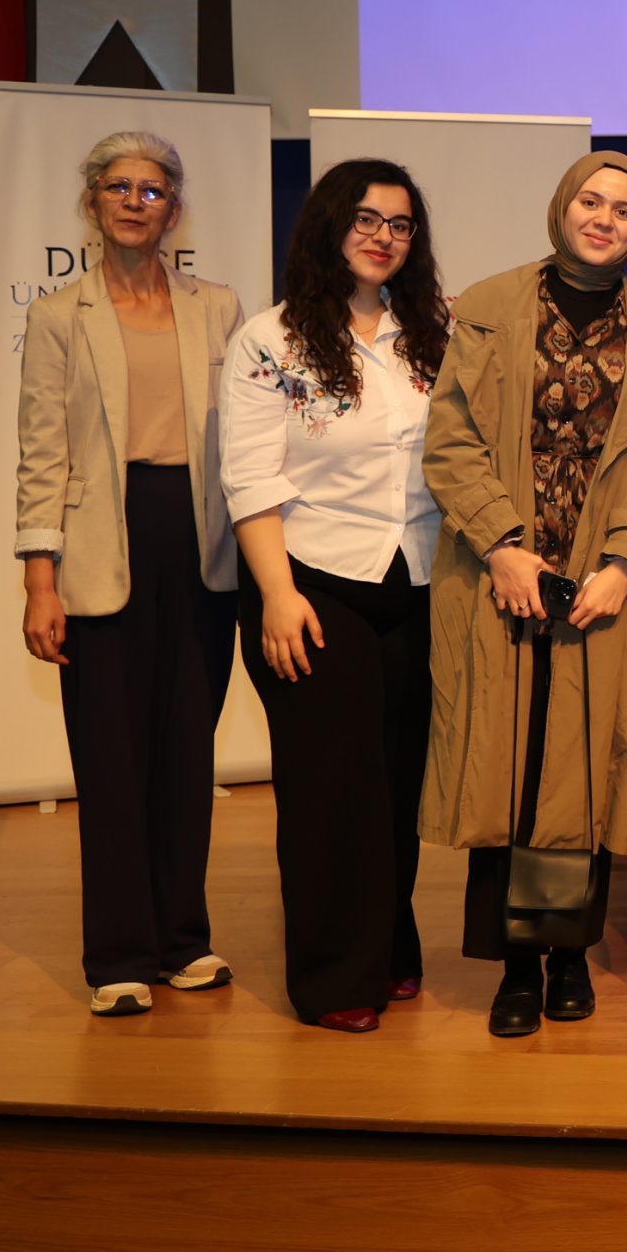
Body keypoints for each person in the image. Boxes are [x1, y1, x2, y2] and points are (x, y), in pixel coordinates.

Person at [421, 150, 627, 1038]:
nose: (604, 218)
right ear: (562, 206)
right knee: (507, 765)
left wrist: (624, 563)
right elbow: (451, 439)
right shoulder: (490, 304)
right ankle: (515, 966)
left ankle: (569, 954)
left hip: (601, 583)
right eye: (590, 201)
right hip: (499, 573)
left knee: (580, 768)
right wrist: (501, 545)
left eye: (624, 209)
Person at [15, 130, 245, 1017]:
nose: (134, 202)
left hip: (201, 545)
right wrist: (41, 582)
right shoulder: (57, 315)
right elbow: (42, 453)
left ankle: (182, 938)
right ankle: (118, 953)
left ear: (174, 209)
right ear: (92, 202)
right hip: (98, 548)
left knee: (187, 752)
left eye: (152, 190)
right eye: (118, 187)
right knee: (110, 759)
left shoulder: (219, 307)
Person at [219, 160, 452, 1032]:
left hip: (415, 578)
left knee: (396, 782)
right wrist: (276, 593)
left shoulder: (431, 333)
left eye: (400, 223)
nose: (384, 236)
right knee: (331, 791)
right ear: (328, 225)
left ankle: (388, 947)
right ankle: (332, 978)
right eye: (366, 219)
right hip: (310, 584)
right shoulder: (270, 339)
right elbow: (250, 477)